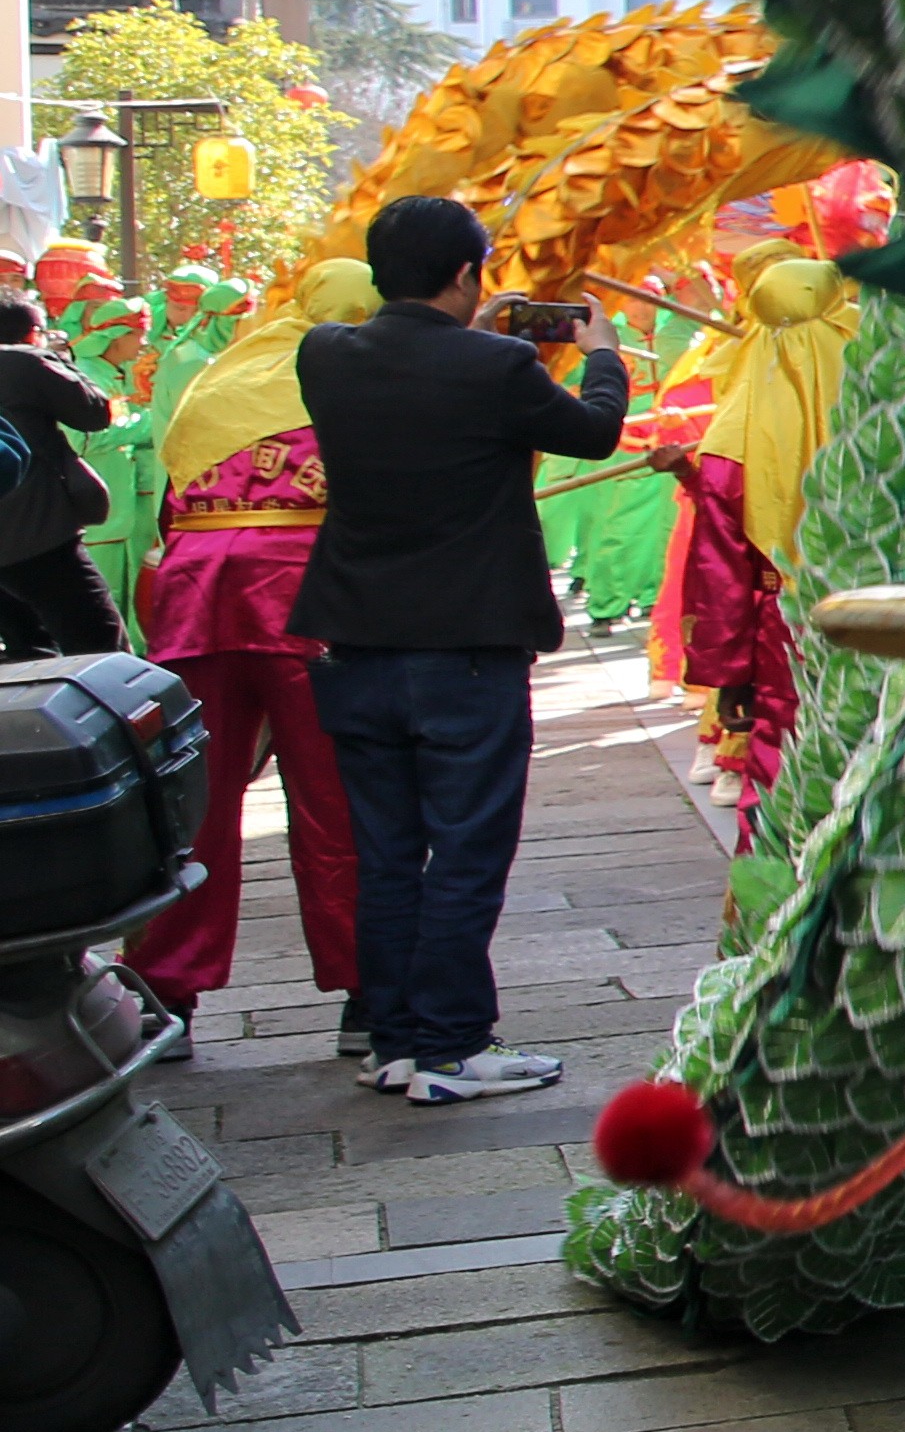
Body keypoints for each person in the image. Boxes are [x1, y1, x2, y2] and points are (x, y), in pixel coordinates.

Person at [292, 201, 629, 1103]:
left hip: (356, 642)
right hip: (466, 648)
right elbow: (593, 429)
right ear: (470, 274)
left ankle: (395, 1039)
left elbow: (420, 369)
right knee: (469, 850)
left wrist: (477, 330)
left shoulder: (324, 354)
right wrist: (600, 352)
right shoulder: (499, 364)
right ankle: (451, 1045)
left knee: (389, 853)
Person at [126, 259, 373, 1056]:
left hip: (196, 603)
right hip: (309, 607)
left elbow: (168, 500)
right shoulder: (358, 376)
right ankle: (368, 995)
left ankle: (166, 997)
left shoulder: (225, 377)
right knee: (338, 805)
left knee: (191, 808)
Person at [0, 296, 126, 654]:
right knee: (100, 648)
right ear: (32, 334)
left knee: (29, 652)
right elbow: (95, 413)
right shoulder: (24, 361)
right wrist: (60, 359)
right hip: (39, 534)